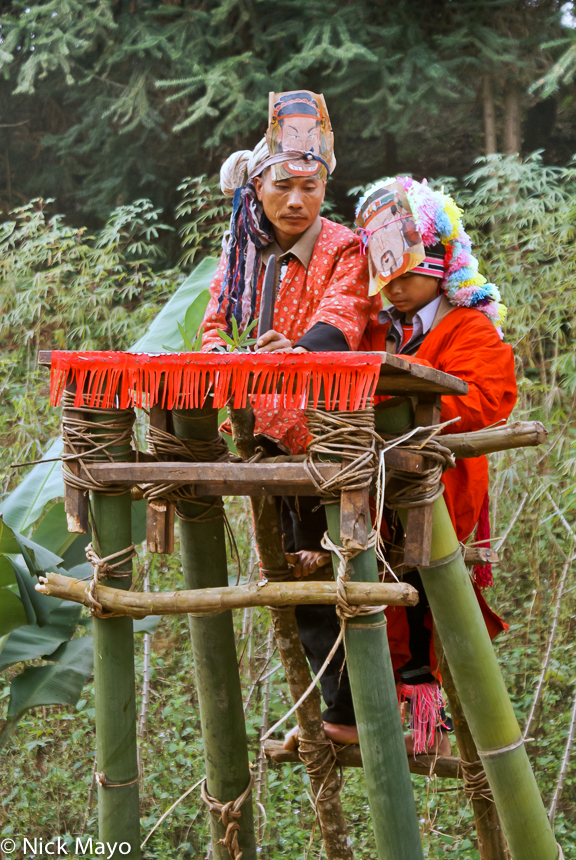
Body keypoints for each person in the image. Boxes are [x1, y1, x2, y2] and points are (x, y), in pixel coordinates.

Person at [284, 176, 517, 756]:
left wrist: (398, 409)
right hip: (376, 489)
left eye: (408, 276)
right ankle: (362, 713)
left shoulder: (470, 330)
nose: (396, 290)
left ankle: (424, 726)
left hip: (437, 492)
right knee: (367, 600)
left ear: (439, 269)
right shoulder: (381, 330)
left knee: (422, 611)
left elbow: (485, 401)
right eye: (386, 279)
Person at [201, 89, 371, 458]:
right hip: (253, 425)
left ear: (323, 189)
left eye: (309, 187)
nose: (296, 200)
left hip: (327, 428)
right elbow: (215, 325)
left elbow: (343, 316)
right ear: (259, 188)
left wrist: (296, 351)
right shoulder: (240, 253)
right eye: (282, 186)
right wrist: (226, 357)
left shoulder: (346, 247)